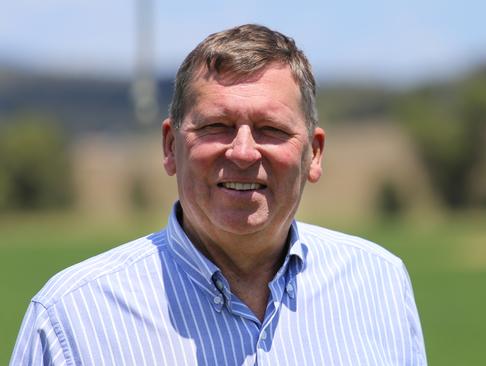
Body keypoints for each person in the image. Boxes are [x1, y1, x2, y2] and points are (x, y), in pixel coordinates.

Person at [11, 24, 426, 365]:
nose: (243, 152)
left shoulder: (380, 285)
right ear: (170, 146)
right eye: (216, 127)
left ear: (313, 154)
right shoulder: (72, 317)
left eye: (272, 130)